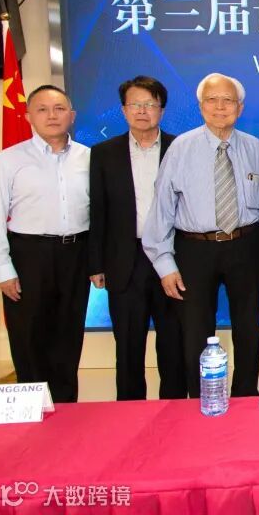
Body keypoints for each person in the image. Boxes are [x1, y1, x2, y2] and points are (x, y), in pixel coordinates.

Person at [143, 73, 259, 398]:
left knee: (248, 328)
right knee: (195, 331)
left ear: (240, 108)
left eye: (228, 100)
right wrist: (164, 264)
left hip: (246, 245)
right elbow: (161, 208)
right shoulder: (181, 148)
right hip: (194, 249)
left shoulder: (255, 148)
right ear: (201, 106)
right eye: (212, 100)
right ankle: (202, 397)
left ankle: (245, 394)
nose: (220, 107)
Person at [0, 84, 90, 403]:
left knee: (68, 336)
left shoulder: (89, 158)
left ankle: (66, 409)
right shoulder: (8, 160)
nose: (52, 116)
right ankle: (32, 411)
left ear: (72, 115)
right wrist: (3, 269)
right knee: (29, 337)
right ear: (28, 116)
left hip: (76, 254)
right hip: (28, 255)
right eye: (42, 109)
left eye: (59, 109)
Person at [89, 76, 186, 400]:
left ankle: (174, 412)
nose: (142, 111)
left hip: (172, 259)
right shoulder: (104, 153)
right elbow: (98, 210)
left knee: (173, 344)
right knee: (128, 347)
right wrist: (96, 263)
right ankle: (129, 414)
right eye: (135, 104)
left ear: (162, 110)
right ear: (123, 110)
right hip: (124, 260)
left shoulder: (181, 148)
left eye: (150, 104)